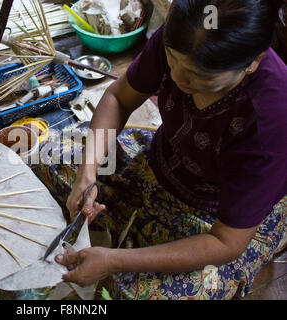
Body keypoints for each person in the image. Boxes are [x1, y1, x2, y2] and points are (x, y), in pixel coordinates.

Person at [31, 0, 287, 299]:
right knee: (48, 155)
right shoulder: (185, 37)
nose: (177, 77)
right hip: (159, 160)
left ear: (253, 62)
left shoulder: (272, 118)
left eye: (200, 75)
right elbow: (119, 98)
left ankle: (125, 244)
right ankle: (130, 232)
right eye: (171, 58)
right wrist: (86, 174)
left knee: (151, 294)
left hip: (213, 216)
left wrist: (114, 262)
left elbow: (225, 242)